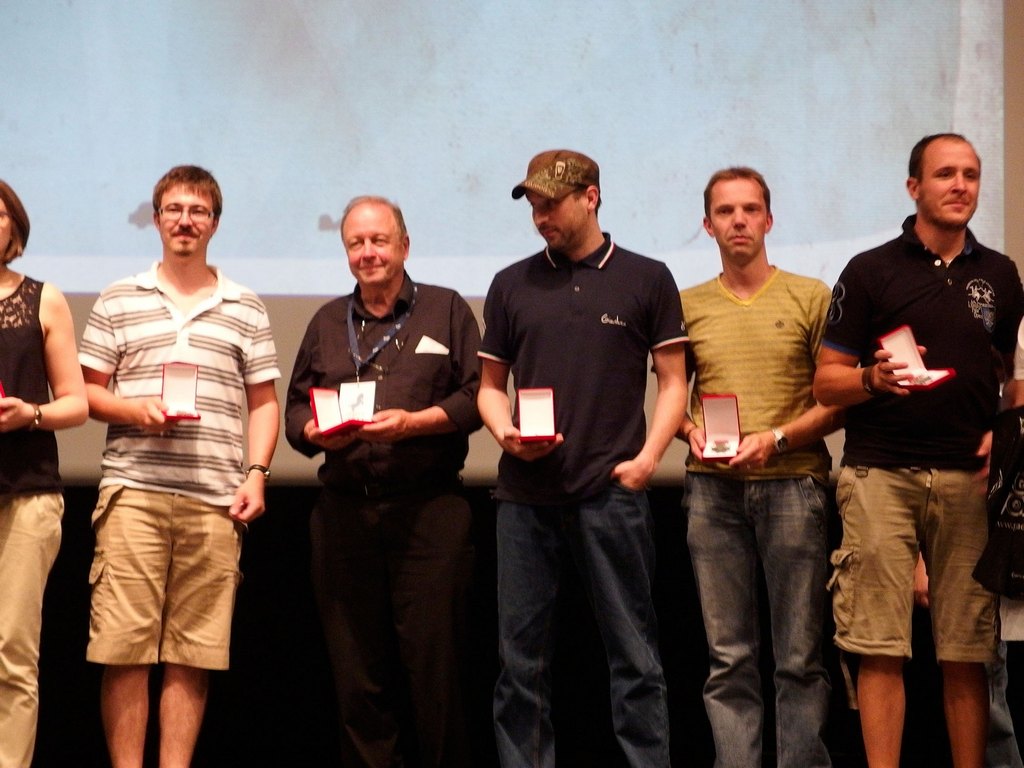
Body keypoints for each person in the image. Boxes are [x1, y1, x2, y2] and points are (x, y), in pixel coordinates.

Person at [814, 133, 1024, 768]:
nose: (960, 185)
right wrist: (872, 379)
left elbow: (1010, 379)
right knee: (880, 647)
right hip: (880, 474)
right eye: (944, 174)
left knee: (968, 651)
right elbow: (825, 383)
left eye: (971, 175)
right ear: (914, 187)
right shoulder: (869, 270)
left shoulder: (1000, 274)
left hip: (969, 483)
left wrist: (1006, 433)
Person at [477, 149, 688, 767]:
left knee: (635, 658)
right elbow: (489, 387)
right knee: (521, 666)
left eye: (552, 203)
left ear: (591, 197)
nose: (541, 216)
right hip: (525, 497)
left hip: (612, 493)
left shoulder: (647, 277)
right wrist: (504, 433)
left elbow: (674, 381)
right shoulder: (510, 283)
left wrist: (648, 460)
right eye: (534, 205)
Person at [78, 165, 280, 768]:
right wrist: (134, 410)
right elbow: (85, 393)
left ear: (214, 223)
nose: (185, 221)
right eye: (174, 209)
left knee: (194, 653)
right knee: (124, 649)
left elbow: (264, 403)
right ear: (156, 218)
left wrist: (257, 473)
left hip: (215, 498)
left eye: (198, 211)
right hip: (133, 493)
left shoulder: (245, 306)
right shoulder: (119, 298)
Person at [285, 195, 481, 767]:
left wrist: (414, 424)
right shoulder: (327, 322)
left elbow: (477, 397)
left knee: (438, 676)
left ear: (404, 246)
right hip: (344, 517)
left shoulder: (447, 309)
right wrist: (315, 434)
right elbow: (295, 410)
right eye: (356, 243)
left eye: (378, 241)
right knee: (358, 682)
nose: (367, 252)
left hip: (429, 515)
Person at [679, 167, 841, 767]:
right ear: (707, 225)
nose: (739, 221)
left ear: (769, 220)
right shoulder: (687, 304)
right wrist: (690, 431)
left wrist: (776, 439)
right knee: (729, 659)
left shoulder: (811, 296)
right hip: (711, 492)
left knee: (799, 659)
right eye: (725, 211)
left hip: (794, 486)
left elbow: (836, 403)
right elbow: (672, 396)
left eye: (750, 210)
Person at [0, 180, 88, 767]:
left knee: (11, 651)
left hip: (25, 494)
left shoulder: (42, 298)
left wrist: (29, 414)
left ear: (14, 225)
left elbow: (76, 403)